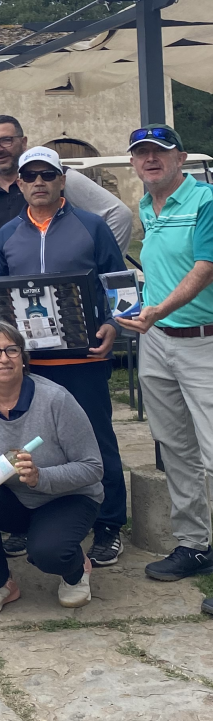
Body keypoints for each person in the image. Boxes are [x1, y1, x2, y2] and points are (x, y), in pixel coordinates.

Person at [0, 146, 127, 567]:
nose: (39, 183)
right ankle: (26, 520)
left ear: (63, 180)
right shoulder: (8, 234)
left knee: (97, 442)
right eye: (30, 177)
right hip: (29, 366)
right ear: (21, 184)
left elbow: (120, 284)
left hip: (83, 361)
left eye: (48, 175)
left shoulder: (92, 226)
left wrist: (114, 326)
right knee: (24, 444)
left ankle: (108, 524)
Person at [0, 320, 104, 615]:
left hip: (68, 498)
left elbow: (93, 468)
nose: (3, 358)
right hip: (12, 502)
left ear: (23, 360)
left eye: (12, 350)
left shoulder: (56, 400)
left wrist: (41, 477)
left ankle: (77, 569)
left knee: (48, 553)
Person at [116, 125, 213, 582]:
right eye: (141, 154)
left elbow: (204, 268)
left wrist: (157, 310)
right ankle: (194, 545)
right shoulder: (146, 206)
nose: (150, 159)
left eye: (160, 152)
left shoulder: (206, 201)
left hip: (203, 340)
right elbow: (161, 270)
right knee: (175, 448)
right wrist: (143, 311)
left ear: (182, 158)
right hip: (157, 342)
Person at [0, 115, 132, 260]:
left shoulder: (58, 178)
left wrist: (99, 265)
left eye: (6, 140)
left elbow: (119, 215)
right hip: (13, 295)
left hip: (67, 293)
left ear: (23, 142)